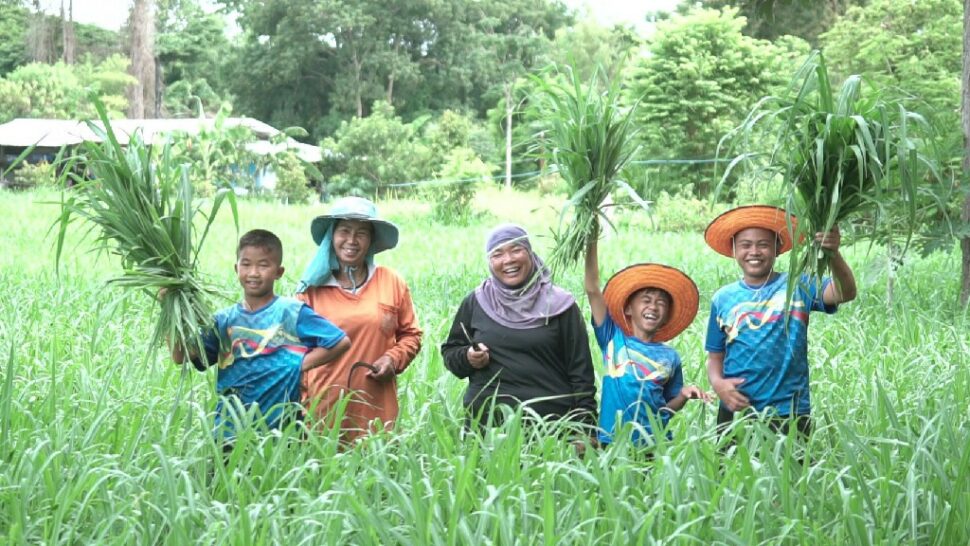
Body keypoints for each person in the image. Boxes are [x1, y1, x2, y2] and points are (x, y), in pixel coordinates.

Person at [170, 229, 351, 442]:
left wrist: (296, 364)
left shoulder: (290, 311)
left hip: (281, 431)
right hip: (229, 432)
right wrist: (170, 308)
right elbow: (181, 356)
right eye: (246, 264)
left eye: (263, 265)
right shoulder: (223, 320)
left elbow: (340, 341)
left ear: (279, 271)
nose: (254, 272)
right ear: (236, 268)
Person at [703, 205, 857, 437]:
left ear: (777, 248)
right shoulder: (722, 298)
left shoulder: (799, 285)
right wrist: (718, 384)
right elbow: (715, 357)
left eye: (763, 244)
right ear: (734, 250)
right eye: (745, 245)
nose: (754, 251)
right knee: (731, 472)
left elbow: (844, 292)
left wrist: (833, 254)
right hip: (737, 407)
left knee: (792, 472)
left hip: (790, 410)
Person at [441, 224, 597, 430]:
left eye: (516, 250)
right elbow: (451, 353)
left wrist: (585, 427)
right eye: (498, 254)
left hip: (551, 429)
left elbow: (581, 371)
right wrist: (468, 357)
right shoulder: (477, 301)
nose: (508, 260)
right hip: (488, 430)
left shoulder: (560, 305)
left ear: (530, 253)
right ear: (490, 262)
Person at [296, 197, 422, 442]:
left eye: (361, 233)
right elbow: (294, 353)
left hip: (377, 413)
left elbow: (411, 335)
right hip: (323, 411)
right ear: (331, 236)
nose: (352, 241)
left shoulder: (391, 282)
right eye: (344, 231)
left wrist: (392, 358)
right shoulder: (310, 291)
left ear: (372, 240)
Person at [584, 231, 710, 446]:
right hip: (612, 441)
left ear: (667, 315)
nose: (653, 306)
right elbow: (592, 289)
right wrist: (590, 238)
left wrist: (683, 396)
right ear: (629, 309)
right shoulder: (612, 338)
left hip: (654, 443)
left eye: (661, 303)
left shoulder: (670, 357)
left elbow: (665, 409)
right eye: (646, 300)